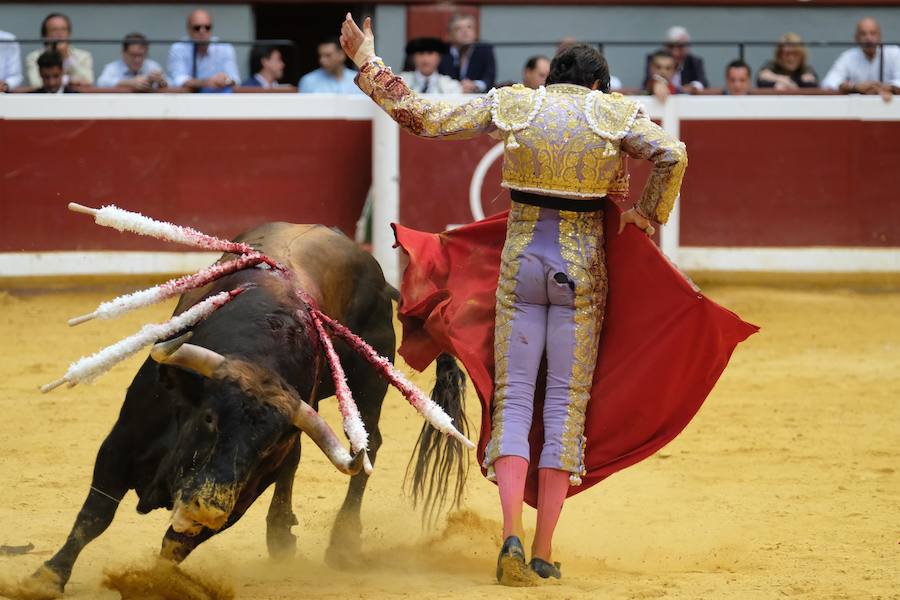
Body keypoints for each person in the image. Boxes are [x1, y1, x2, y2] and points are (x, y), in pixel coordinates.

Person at [341, 13, 728, 587]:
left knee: (516, 401)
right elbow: (673, 154)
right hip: (580, 274)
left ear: (552, 78)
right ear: (598, 85)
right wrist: (647, 216)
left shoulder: (519, 104)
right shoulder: (615, 114)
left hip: (521, 267)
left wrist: (368, 62)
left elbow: (420, 116)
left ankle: (510, 539)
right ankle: (544, 550)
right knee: (563, 411)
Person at [822, 17, 900, 97]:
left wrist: (887, 88)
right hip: (858, 107)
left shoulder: (894, 53)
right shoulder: (848, 57)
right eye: (863, 34)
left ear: (880, 36)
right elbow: (828, 83)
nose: (868, 38)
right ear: (856, 38)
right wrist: (854, 87)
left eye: (873, 33)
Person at [168, 9, 241, 93]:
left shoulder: (224, 47)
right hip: (187, 101)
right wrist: (206, 82)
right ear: (188, 29)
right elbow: (178, 79)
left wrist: (226, 80)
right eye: (197, 28)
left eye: (207, 27)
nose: (202, 31)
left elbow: (235, 79)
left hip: (218, 98)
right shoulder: (178, 48)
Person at [26, 13, 93, 87]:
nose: (59, 34)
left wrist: (66, 56)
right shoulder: (34, 57)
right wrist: (69, 81)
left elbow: (88, 81)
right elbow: (36, 83)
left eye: (63, 29)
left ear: (69, 33)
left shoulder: (83, 56)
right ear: (45, 34)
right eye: (54, 30)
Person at [439, 13, 496, 92]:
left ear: (475, 32)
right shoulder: (441, 51)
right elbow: (437, 78)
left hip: (477, 98)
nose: (465, 31)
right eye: (458, 28)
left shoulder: (484, 49)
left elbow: (489, 79)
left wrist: (475, 85)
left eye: (469, 27)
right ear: (450, 35)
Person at [643, 26, 707, 92]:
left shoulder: (694, 62)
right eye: (671, 46)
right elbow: (649, 82)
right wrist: (658, 84)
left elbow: (703, 83)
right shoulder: (655, 59)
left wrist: (694, 86)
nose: (675, 52)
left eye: (680, 46)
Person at [97, 33, 167, 91]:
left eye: (141, 55)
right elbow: (101, 83)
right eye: (133, 55)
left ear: (146, 53)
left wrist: (161, 82)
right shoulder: (113, 67)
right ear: (123, 53)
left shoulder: (153, 66)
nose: (137, 60)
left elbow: (170, 84)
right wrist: (129, 83)